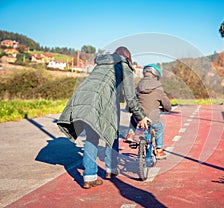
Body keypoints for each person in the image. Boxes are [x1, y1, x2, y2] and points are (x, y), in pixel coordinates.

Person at [57, 46, 150, 189]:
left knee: (91, 136)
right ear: (128, 58)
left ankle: (89, 177)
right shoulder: (124, 66)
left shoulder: (101, 63)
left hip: (82, 96)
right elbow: (130, 98)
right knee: (111, 132)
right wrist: (141, 116)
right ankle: (111, 169)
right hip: (101, 100)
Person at [124, 64, 171, 159]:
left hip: (139, 117)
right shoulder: (158, 87)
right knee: (159, 128)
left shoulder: (138, 86)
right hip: (153, 119)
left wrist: (130, 109)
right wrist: (167, 108)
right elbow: (166, 102)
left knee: (133, 118)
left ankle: (130, 134)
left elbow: (132, 100)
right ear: (156, 75)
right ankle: (159, 150)